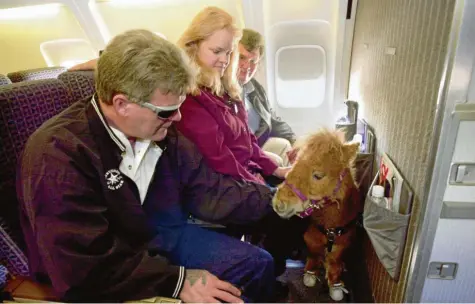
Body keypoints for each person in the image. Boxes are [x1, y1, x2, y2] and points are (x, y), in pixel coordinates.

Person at [17, 29, 279, 303]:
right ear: (122, 104)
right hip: (111, 264)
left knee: (258, 264)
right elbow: (81, 267)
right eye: (167, 111)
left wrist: (281, 201)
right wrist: (176, 281)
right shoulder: (58, 156)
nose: (177, 117)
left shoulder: (160, 131)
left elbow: (210, 190)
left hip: (156, 235)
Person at [174, 7, 290, 185]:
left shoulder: (227, 88)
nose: (225, 60)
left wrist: (275, 169)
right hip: (225, 184)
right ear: (193, 47)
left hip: (245, 172)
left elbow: (247, 140)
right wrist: (260, 186)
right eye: (217, 51)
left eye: (228, 53)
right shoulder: (190, 99)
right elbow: (220, 159)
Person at [238, 28, 297, 166]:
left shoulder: (255, 88)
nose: (247, 66)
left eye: (253, 61)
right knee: (278, 161)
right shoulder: (223, 93)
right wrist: (259, 156)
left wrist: (296, 141)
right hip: (244, 153)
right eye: (242, 57)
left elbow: (272, 119)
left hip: (259, 143)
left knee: (287, 146)